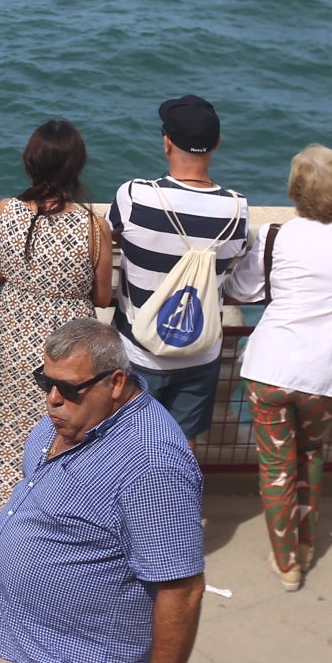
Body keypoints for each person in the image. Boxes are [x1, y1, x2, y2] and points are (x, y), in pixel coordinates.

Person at [0, 318, 205, 663]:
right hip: (43, 654)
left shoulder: (152, 465)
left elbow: (181, 591)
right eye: (46, 382)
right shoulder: (75, 417)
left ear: (115, 383)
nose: (52, 397)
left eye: (68, 387)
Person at [223, 145, 332, 589]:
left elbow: (243, 288)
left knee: (276, 465)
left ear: (295, 193)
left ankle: (287, 562)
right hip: (326, 374)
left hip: (270, 367)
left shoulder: (276, 236)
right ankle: (308, 542)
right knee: (311, 454)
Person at [106, 95, 249, 446]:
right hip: (200, 352)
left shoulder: (136, 197)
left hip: (139, 353)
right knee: (179, 454)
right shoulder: (236, 210)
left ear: (167, 142)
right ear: (216, 143)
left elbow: (107, 235)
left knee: (126, 450)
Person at [0, 119, 112, 507]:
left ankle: (14, 519)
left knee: (12, 439)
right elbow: (104, 297)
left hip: (13, 344)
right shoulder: (94, 227)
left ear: (30, 162)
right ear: (77, 166)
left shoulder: (6, 211)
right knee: (68, 436)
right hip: (68, 355)